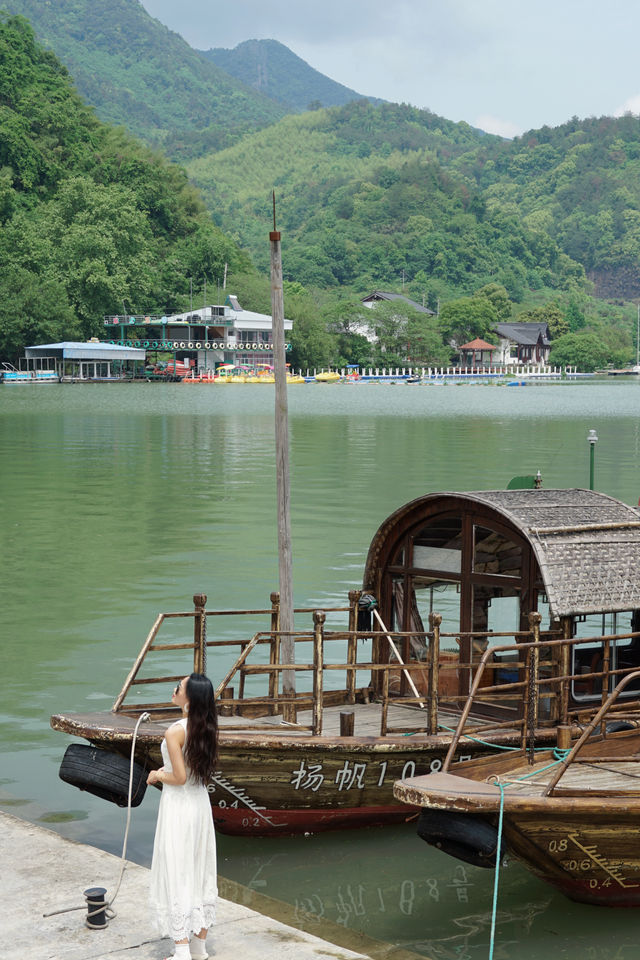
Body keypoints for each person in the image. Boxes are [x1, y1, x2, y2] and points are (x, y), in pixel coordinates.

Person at [147, 673, 218, 960]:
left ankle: (181, 951)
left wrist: (156, 774)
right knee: (199, 869)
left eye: (179, 687)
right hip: (200, 805)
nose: (174, 689)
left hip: (179, 807)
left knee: (177, 870)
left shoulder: (174, 731)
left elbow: (179, 776)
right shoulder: (208, 727)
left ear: (189, 698)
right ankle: (199, 948)